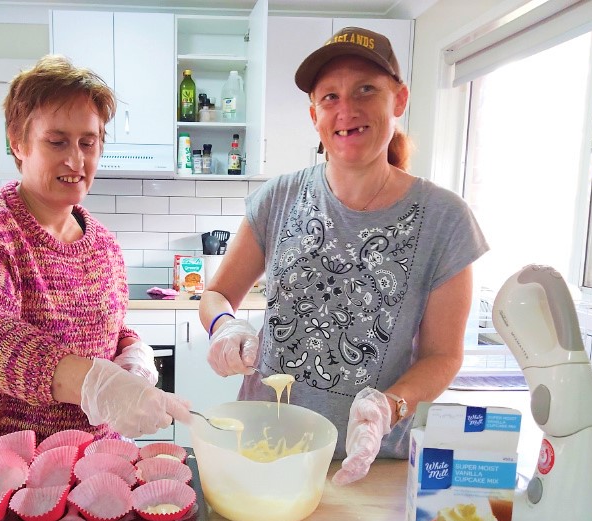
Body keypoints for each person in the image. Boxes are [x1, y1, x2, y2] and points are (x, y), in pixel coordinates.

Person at [200, 27, 488, 484]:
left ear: (399, 99)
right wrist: (225, 325)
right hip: (264, 448)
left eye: (366, 90)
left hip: (370, 459)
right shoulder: (280, 197)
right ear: (314, 114)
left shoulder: (445, 220)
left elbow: (442, 355)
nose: (346, 110)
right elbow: (216, 294)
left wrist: (386, 406)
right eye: (330, 97)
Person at [0, 55, 191, 463]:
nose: (76, 160)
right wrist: (95, 384)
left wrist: (133, 352)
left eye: (88, 142)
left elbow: (109, 328)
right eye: (57, 141)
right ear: (18, 141)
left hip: (89, 463)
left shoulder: (103, 245)